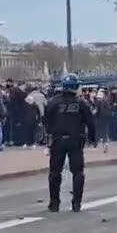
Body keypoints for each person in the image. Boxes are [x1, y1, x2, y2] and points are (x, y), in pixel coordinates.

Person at [42, 74, 97, 212]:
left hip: (57, 140)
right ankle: (76, 203)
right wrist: (92, 138)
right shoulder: (81, 104)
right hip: (75, 140)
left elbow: (46, 120)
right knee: (78, 172)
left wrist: (50, 134)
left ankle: (54, 203)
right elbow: (90, 122)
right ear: (76, 87)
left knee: (55, 172)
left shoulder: (53, 102)